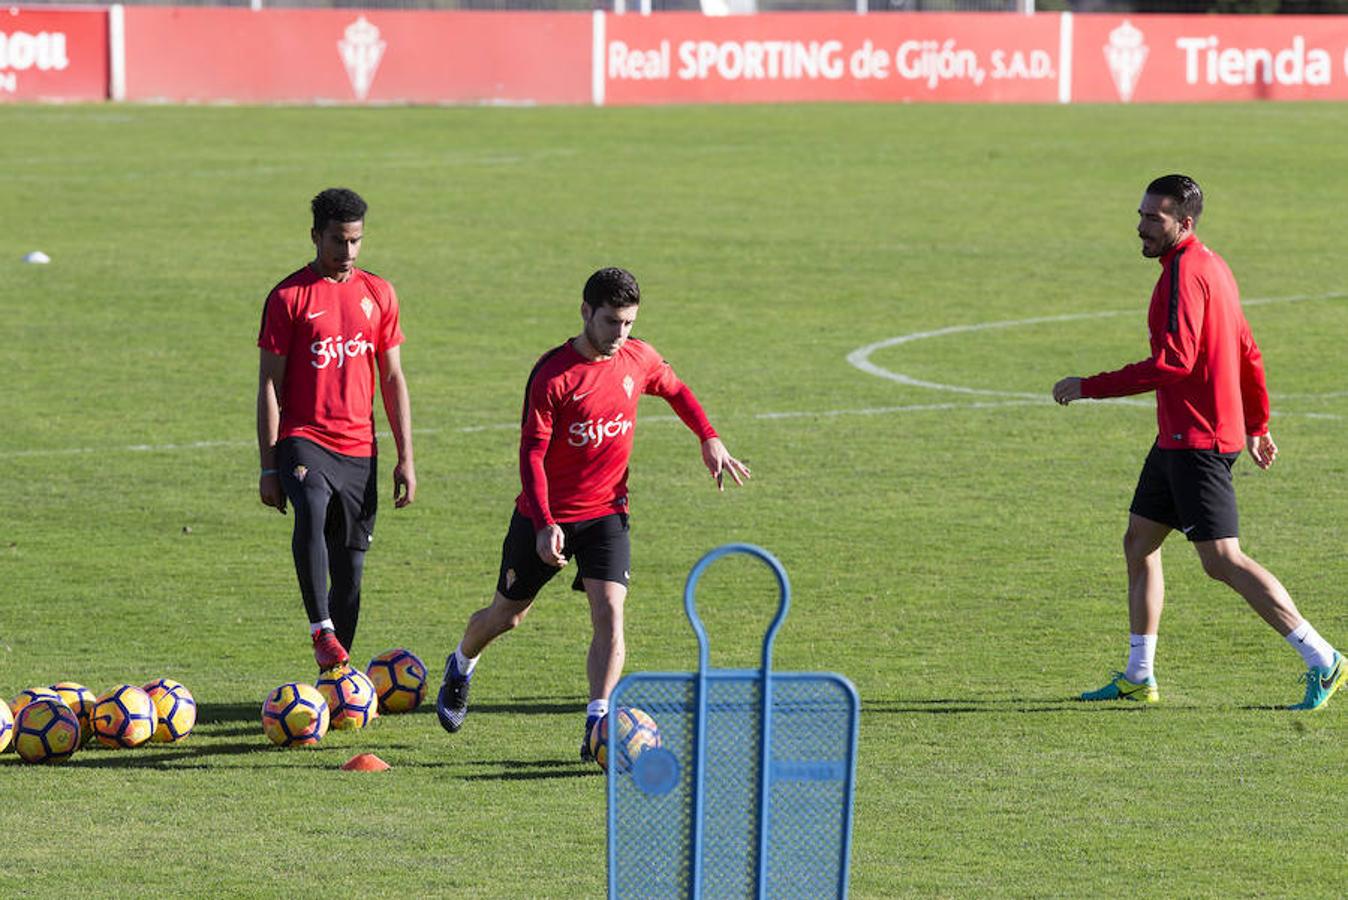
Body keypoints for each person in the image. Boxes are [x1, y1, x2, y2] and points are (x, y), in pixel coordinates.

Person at [1053, 174, 1343, 711]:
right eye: (1140, 215)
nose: (1141, 227)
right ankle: (1140, 675)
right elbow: (1247, 348)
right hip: (1180, 436)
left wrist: (1090, 387)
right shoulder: (1213, 264)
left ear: (1183, 223)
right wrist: (1257, 423)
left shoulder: (1184, 275)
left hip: (1198, 440)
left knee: (1222, 561)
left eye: (1153, 219)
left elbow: (1173, 362)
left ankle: (1323, 659)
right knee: (1139, 542)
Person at [435, 266, 750, 757]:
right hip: (547, 516)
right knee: (506, 616)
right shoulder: (553, 376)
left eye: (627, 323)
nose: (619, 335)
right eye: (609, 322)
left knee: (610, 612)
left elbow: (676, 390)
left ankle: (597, 725)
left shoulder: (636, 357)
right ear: (585, 312)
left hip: (607, 513)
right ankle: (461, 663)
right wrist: (544, 524)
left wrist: (709, 437)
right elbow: (531, 456)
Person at [256, 187, 416, 672]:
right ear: (315, 236)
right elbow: (269, 383)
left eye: (355, 241)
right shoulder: (289, 297)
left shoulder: (378, 293)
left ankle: (336, 675)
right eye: (336, 241)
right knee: (310, 511)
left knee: (350, 572)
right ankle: (320, 630)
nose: (346, 252)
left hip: (359, 450)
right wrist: (268, 465)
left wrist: (405, 457)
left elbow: (392, 378)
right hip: (304, 438)